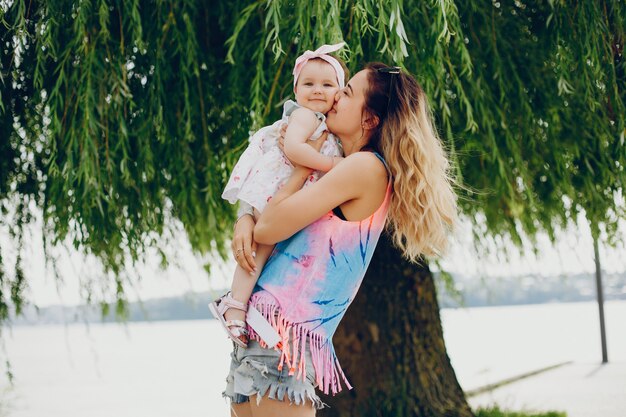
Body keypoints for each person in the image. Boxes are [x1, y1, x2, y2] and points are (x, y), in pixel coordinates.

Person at [223, 61, 459, 417]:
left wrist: (302, 167)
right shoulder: (339, 160)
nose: (334, 97)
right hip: (264, 334)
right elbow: (264, 212)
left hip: (283, 339)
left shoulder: (364, 168)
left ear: (369, 120)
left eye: (347, 93)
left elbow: (268, 229)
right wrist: (244, 215)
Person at [209, 43, 349, 348]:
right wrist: (333, 164)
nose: (317, 90)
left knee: (265, 250)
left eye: (327, 84)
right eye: (308, 83)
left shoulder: (323, 124)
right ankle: (234, 305)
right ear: (296, 90)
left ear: (339, 92)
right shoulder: (307, 117)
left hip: (289, 190)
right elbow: (294, 149)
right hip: (278, 187)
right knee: (260, 248)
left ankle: (239, 304)